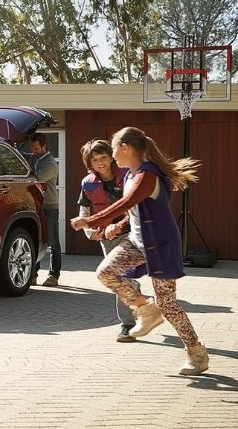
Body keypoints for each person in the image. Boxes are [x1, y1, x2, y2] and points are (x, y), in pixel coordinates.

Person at [70, 126, 208, 376]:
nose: (111, 156)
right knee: (105, 273)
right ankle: (146, 310)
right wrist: (119, 225)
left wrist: (89, 221)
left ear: (125, 148)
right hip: (137, 241)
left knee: (168, 304)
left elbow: (126, 203)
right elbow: (135, 211)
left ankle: (196, 353)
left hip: (161, 245)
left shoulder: (148, 175)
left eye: (113, 150)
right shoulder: (132, 174)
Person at [77, 139, 144, 343]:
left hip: (130, 232)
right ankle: (134, 291)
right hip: (105, 236)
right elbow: (84, 210)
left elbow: (136, 207)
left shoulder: (128, 176)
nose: (100, 162)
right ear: (89, 163)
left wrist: (120, 225)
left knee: (117, 274)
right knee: (118, 278)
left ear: (111, 157)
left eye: (103, 157)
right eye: (95, 160)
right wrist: (90, 232)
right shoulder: (88, 183)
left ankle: (127, 325)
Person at [27, 133, 61, 286]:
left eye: (36, 147)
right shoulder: (35, 157)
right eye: (32, 148)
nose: (33, 150)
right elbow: (24, 156)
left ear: (44, 146)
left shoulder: (50, 163)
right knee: (35, 241)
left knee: (53, 243)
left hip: (49, 207)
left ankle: (54, 276)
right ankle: (32, 275)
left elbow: (37, 178)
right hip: (36, 206)